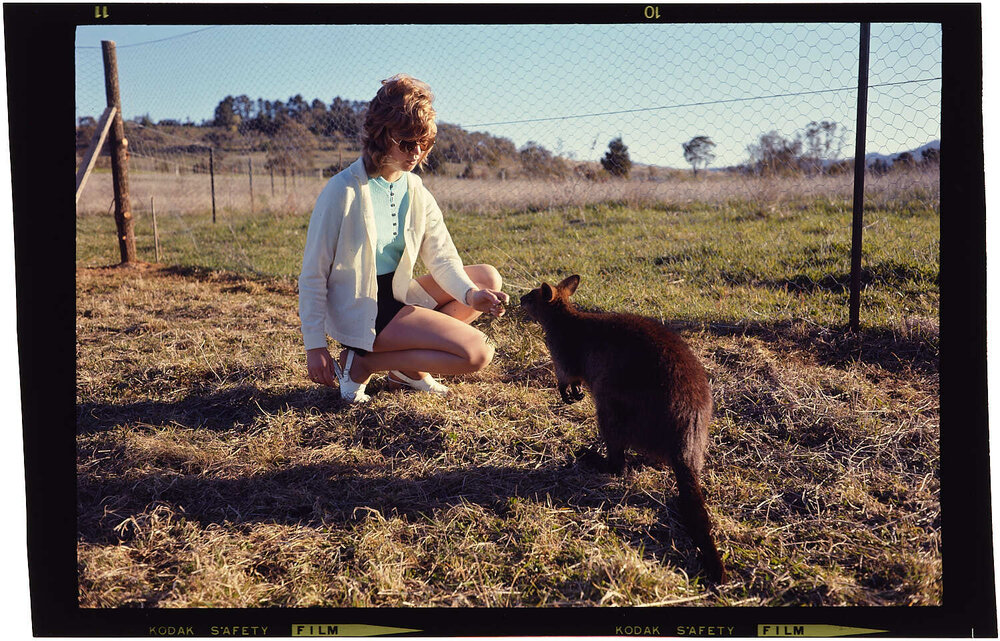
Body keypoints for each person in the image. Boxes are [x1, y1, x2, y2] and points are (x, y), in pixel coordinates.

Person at [299, 74, 509, 403]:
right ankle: (365, 361)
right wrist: (315, 346)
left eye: (423, 144)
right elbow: (313, 272)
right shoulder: (343, 190)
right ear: (382, 135)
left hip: (397, 296)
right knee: (477, 353)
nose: (416, 153)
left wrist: (470, 296)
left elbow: (442, 258)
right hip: (363, 311)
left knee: (485, 277)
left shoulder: (415, 189)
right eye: (406, 143)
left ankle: (407, 370)